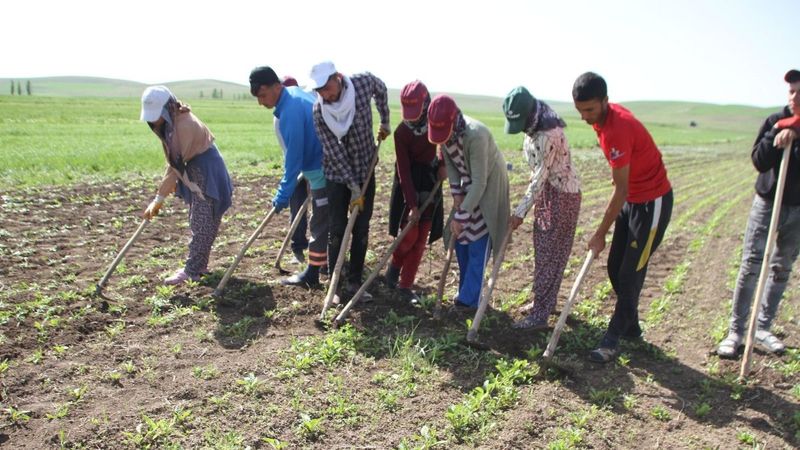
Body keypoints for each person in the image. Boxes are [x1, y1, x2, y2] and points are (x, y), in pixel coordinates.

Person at [572, 72, 673, 363]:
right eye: (580, 111)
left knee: (631, 273)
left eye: (590, 110)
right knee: (615, 268)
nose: (584, 117)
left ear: (605, 101)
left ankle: (612, 339)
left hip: (652, 203)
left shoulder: (618, 128)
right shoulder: (603, 119)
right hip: (632, 201)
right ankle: (632, 328)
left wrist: (600, 232)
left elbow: (620, 188)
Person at [716, 69, 800, 358]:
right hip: (767, 202)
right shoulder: (775, 120)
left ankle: (762, 328)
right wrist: (776, 135)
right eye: (791, 91)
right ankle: (736, 331)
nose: (794, 97)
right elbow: (759, 161)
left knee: (781, 267)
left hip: (798, 210)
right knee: (752, 263)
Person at [308, 61, 391, 301]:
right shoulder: (319, 111)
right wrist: (353, 186)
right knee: (337, 228)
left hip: (366, 169)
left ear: (338, 78)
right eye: (320, 91)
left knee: (361, 227)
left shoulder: (362, 83)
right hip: (337, 175)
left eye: (327, 88)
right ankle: (335, 284)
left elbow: (381, 88)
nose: (325, 95)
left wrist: (385, 119)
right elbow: (334, 151)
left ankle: (354, 281)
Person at [503, 86, 581, 329]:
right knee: (543, 250)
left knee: (551, 254)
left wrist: (519, 212)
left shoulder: (549, 133)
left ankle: (540, 315)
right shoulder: (534, 126)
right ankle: (543, 302)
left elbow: (540, 176)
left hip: (561, 196)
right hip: (546, 193)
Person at [140, 85, 233, 285]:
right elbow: (174, 164)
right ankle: (198, 266)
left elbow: (174, 165)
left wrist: (159, 198)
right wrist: (159, 197)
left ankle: (192, 270)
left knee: (201, 223)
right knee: (203, 221)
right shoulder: (173, 123)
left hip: (206, 172)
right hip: (198, 169)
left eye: (156, 115)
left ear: (168, 108)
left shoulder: (183, 125)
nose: (153, 120)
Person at [249, 66, 329, 288]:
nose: (261, 102)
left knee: (320, 223)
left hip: (324, 171)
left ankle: (313, 274)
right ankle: (325, 266)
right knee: (324, 221)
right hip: (319, 169)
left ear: (277, 86)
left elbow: (293, 158)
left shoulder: (289, 111)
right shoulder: (295, 95)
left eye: (263, 95)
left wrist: (282, 195)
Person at [428, 94, 509, 310]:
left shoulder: (476, 135)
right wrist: (456, 195)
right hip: (469, 186)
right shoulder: (446, 136)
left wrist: (462, 215)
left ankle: (470, 299)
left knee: (478, 238)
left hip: (488, 186)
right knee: (461, 239)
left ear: (454, 121)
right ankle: (465, 289)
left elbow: (481, 182)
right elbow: (453, 167)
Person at [386, 80, 445, 304]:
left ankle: (406, 285)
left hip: (430, 182)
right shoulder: (401, 132)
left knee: (421, 238)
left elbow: (443, 144)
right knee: (408, 235)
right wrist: (411, 205)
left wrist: (442, 165)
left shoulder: (435, 122)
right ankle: (394, 267)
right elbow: (403, 168)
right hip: (407, 184)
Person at [280, 75, 311, 266]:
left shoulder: (306, 106)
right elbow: (288, 150)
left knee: (320, 210)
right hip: (296, 169)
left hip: (316, 166)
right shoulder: (281, 116)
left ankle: (321, 252)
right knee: (297, 206)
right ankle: (298, 248)